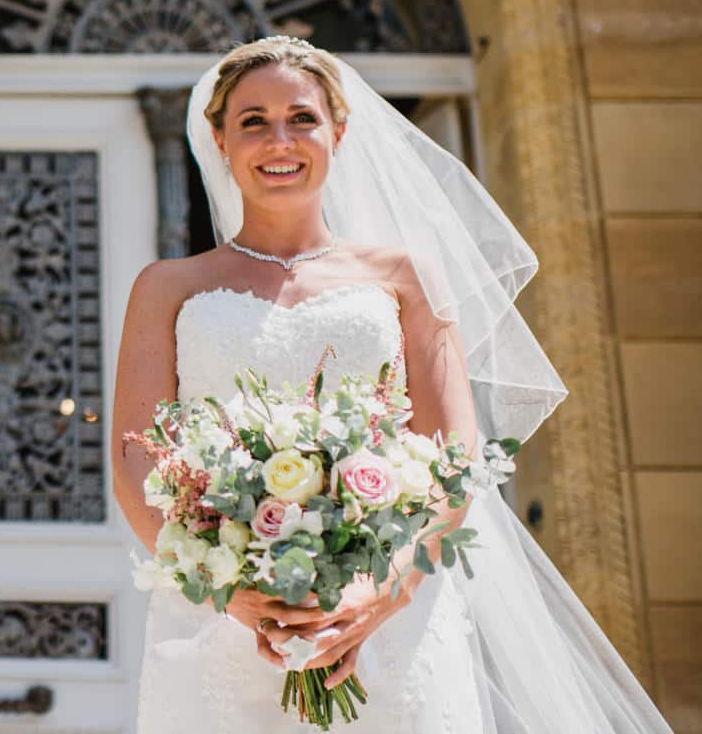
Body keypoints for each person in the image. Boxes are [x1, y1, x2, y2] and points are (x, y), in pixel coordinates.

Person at [110, 37, 673, 733]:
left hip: (388, 617)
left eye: (302, 117)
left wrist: (381, 591)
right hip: (221, 627)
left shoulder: (408, 276)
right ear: (219, 139)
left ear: (338, 132)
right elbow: (138, 460)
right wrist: (230, 590)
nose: (278, 138)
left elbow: (453, 456)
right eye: (253, 120)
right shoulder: (167, 287)